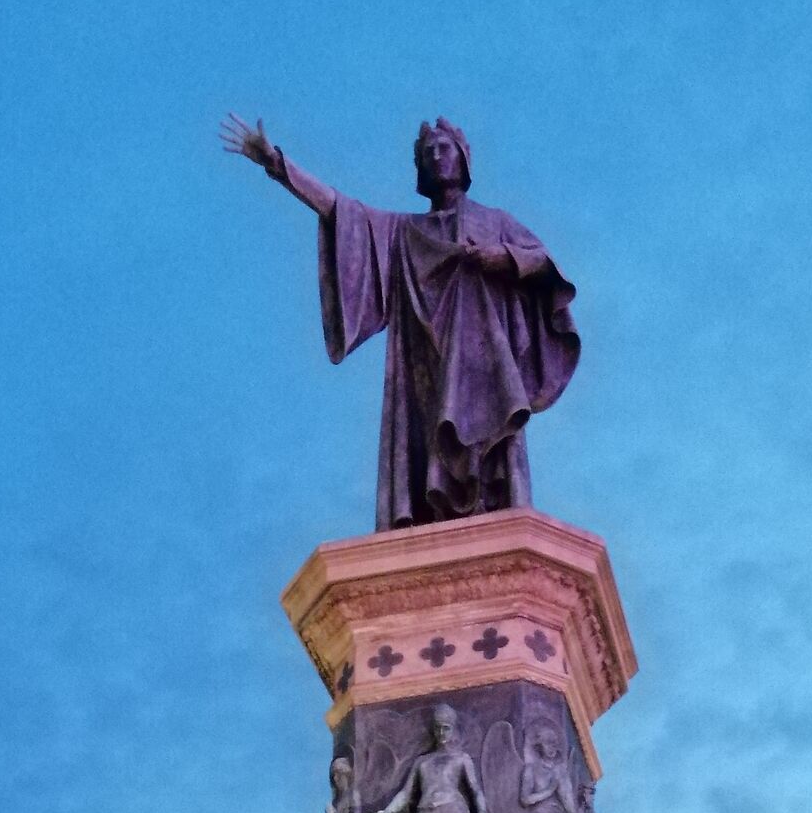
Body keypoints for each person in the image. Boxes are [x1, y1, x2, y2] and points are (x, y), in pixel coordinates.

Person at [220, 113, 579, 528]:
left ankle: (492, 509)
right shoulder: (405, 234)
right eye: (428, 152)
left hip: (484, 364)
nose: (436, 156)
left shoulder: (495, 223)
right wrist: (277, 164)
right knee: (426, 445)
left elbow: (544, 264)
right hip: (423, 364)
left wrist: (503, 257)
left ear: (464, 159)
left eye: (444, 148)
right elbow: (341, 211)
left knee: (491, 449)